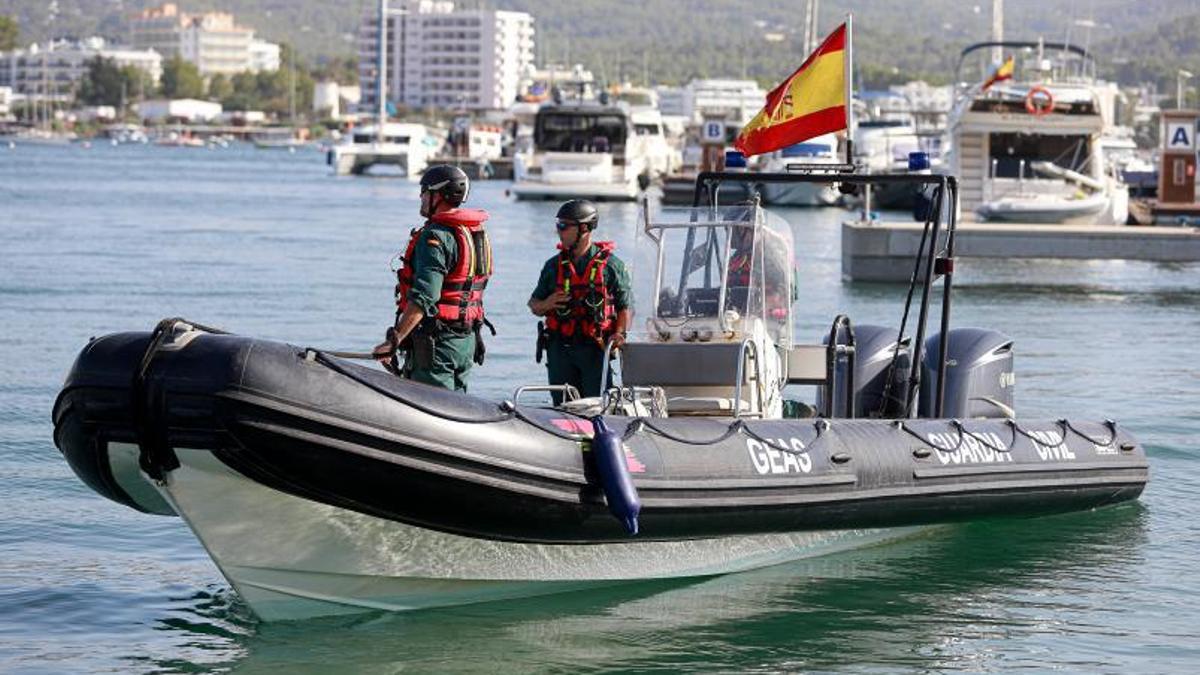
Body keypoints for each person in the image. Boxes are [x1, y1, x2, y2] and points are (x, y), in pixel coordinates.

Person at [372, 165, 493, 392]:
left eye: (424, 191)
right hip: (465, 342)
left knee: (432, 410)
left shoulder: (435, 237)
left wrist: (394, 341)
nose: (420, 196)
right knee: (457, 407)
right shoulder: (474, 233)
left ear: (438, 195)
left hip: (436, 346)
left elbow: (425, 296)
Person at [528, 200, 632, 402]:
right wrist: (547, 303)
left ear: (584, 228)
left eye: (564, 226)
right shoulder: (552, 266)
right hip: (560, 350)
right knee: (563, 405)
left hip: (595, 348)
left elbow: (625, 306)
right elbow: (534, 304)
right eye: (558, 225)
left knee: (598, 403)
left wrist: (619, 334)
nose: (559, 231)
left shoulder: (612, 266)